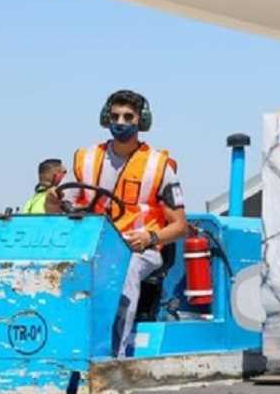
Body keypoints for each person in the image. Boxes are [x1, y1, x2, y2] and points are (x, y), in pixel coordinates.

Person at [47, 89, 187, 356]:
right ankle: (60, 347)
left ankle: (113, 356)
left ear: (141, 121)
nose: (120, 122)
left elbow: (179, 226)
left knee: (123, 272)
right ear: (105, 118)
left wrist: (151, 238)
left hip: (139, 249)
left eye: (128, 116)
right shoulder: (86, 159)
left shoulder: (159, 167)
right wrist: (53, 201)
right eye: (115, 116)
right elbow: (58, 205)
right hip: (91, 244)